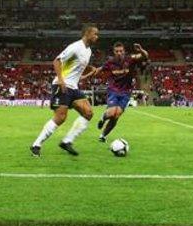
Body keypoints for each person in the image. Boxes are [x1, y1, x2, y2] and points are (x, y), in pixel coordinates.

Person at [30, 26, 100, 157]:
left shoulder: (88, 51)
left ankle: (67, 141)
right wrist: (61, 81)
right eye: (95, 34)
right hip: (62, 85)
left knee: (88, 113)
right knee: (60, 117)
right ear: (87, 33)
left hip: (73, 87)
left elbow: (77, 69)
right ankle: (36, 145)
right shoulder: (75, 47)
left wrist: (91, 71)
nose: (97, 37)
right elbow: (57, 61)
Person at [96, 42, 149, 142]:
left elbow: (145, 56)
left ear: (124, 51)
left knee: (116, 115)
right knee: (112, 112)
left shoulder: (130, 59)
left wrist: (141, 49)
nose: (119, 53)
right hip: (113, 90)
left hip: (126, 92)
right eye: (117, 51)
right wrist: (90, 73)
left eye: (121, 51)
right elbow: (100, 69)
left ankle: (103, 136)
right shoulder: (110, 62)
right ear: (114, 52)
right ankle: (103, 117)